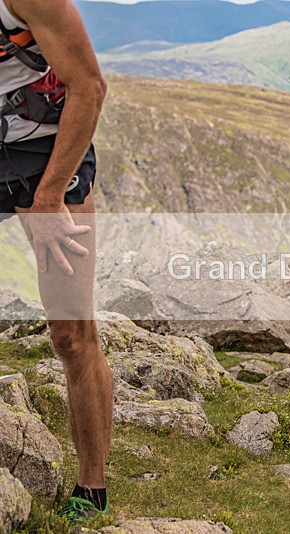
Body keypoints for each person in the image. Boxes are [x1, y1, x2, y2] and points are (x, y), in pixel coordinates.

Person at [0, 0, 111, 523]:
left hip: (47, 152)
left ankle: (91, 489)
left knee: (70, 333)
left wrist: (47, 199)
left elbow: (89, 87)